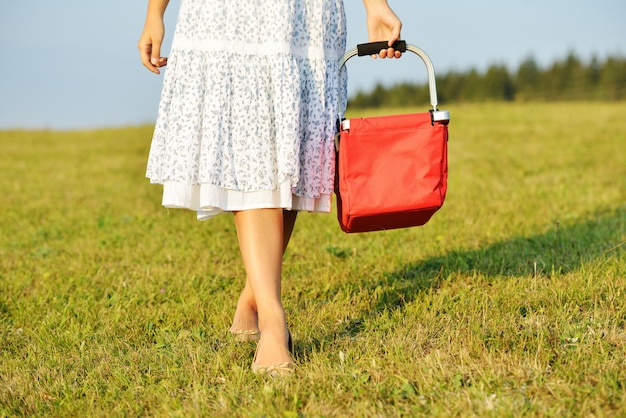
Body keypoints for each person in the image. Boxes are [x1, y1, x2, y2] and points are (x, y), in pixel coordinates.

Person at [138, 0, 402, 377]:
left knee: (293, 150)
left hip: (308, 12)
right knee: (254, 151)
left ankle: (253, 298)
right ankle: (274, 323)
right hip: (233, 12)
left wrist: (376, 5)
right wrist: (154, 12)